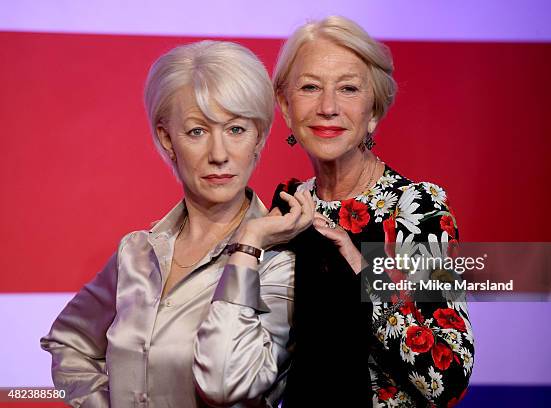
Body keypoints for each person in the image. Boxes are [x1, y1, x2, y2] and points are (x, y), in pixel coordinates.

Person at [40, 40, 314, 408]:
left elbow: (225, 384)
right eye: (197, 132)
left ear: (259, 137)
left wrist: (248, 242)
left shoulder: (280, 263)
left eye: (236, 130)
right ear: (168, 139)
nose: (219, 155)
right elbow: (68, 343)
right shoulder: (136, 252)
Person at [271, 16, 474, 407]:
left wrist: (366, 275)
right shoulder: (287, 207)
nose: (328, 107)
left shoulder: (416, 208)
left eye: (348, 89)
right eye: (310, 87)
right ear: (285, 105)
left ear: (374, 110)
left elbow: (447, 380)